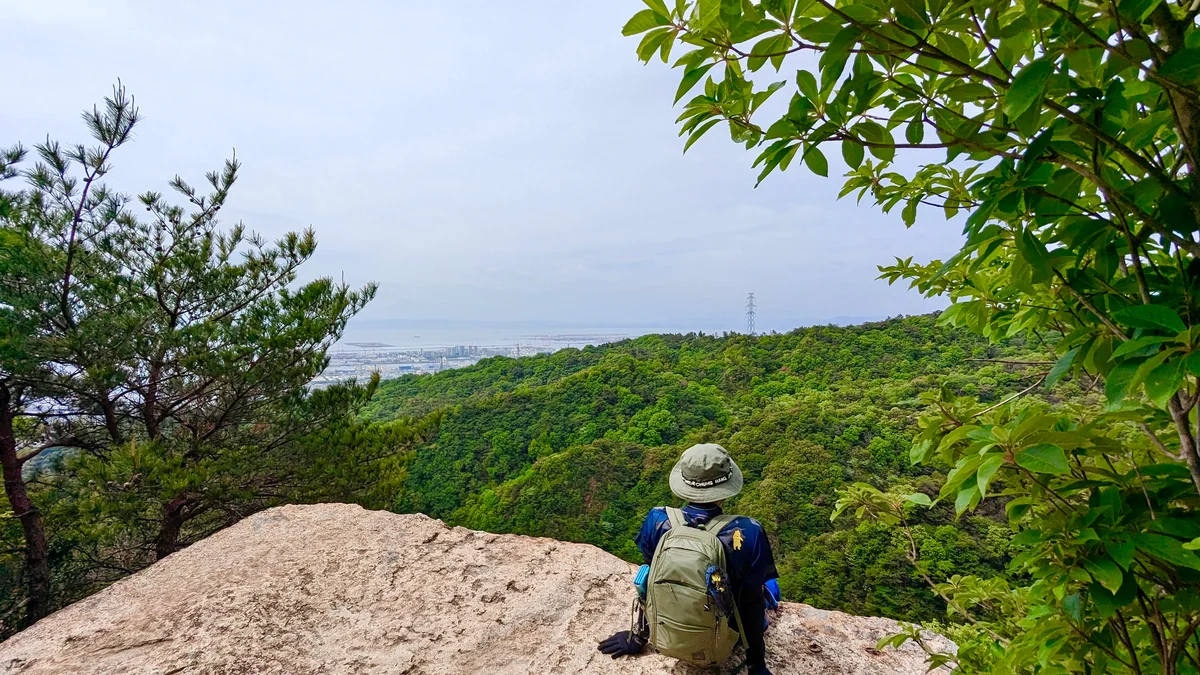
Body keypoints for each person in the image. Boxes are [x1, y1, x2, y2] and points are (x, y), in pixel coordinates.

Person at [597, 443, 778, 675]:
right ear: (725, 487)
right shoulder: (748, 532)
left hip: (666, 631)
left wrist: (638, 636)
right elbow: (751, 602)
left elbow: (650, 578)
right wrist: (757, 665)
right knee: (771, 586)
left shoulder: (657, 519)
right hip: (724, 635)